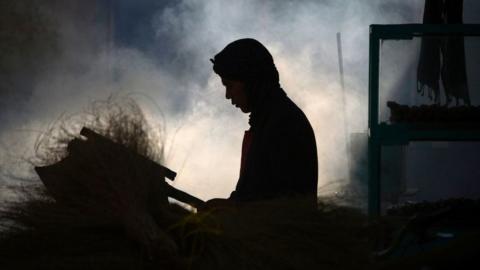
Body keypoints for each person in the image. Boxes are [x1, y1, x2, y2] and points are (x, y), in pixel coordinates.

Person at [207, 38, 318, 208]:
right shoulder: (268, 120)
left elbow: (280, 205)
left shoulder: (284, 125)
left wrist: (232, 209)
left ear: (250, 80)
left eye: (229, 85)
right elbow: (255, 191)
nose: (228, 96)